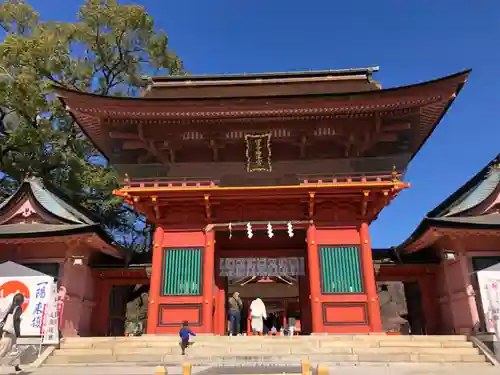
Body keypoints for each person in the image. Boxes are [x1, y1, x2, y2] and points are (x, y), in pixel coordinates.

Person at [0, 293, 24, 373]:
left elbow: (5, 319)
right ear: (21, 301)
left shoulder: (12, 307)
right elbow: (16, 321)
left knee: (14, 349)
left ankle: (16, 366)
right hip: (10, 333)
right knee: (4, 350)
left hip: (7, 331)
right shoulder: (18, 308)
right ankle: (16, 366)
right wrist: (18, 333)